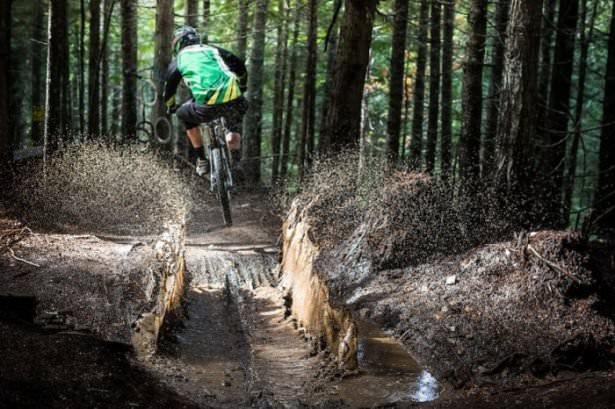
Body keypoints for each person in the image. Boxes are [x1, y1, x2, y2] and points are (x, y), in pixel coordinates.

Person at [164, 26, 248, 176]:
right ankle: (235, 156)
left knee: (183, 114)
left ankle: (202, 160)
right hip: (235, 101)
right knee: (234, 121)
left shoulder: (179, 59)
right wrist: (242, 85)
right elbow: (239, 65)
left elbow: (169, 89)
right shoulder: (213, 50)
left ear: (178, 44)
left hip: (206, 108)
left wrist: (171, 106)